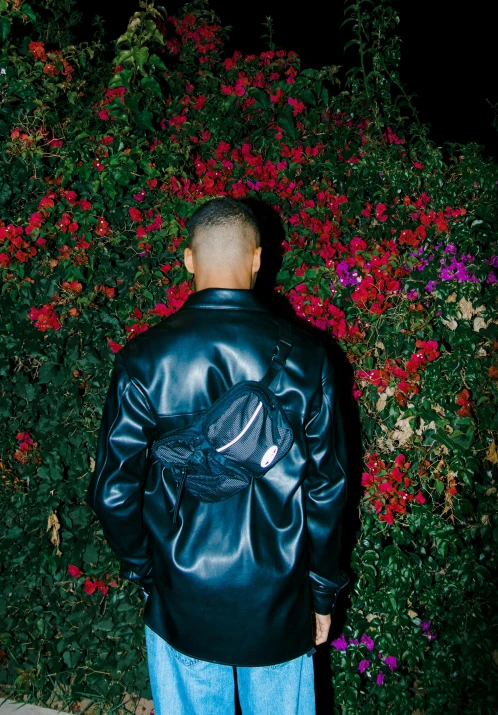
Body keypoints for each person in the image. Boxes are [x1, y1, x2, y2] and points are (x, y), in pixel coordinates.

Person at [86, 197, 350, 714]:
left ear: (187, 260)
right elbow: (327, 489)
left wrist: (147, 574)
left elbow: (113, 492)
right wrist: (322, 592)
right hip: (278, 601)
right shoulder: (309, 358)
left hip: (181, 598)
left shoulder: (143, 359)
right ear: (256, 260)